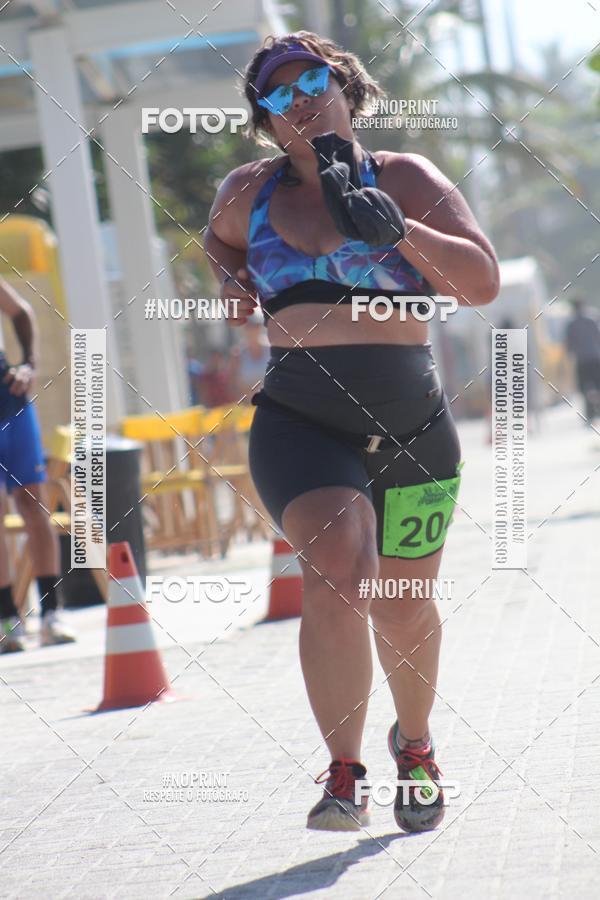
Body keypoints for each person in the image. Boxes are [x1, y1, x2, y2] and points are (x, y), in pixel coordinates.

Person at [205, 32, 499, 833]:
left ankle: (416, 746)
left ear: (347, 87)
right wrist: (232, 284)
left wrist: (396, 229)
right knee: (337, 574)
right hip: (302, 421)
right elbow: (219, 241)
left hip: (416, 426)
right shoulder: (249, 192)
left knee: (403, 604)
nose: (298, 97)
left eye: (312, 80)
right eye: (276, 91)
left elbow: (480, 283)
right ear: (264, 120)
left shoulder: (402, 176)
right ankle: (344, 774)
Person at [0, 277, 76, 652]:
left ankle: (52, 613)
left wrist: (28, 363)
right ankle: (6, 620)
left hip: (7, 398)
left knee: (34, 505)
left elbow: (21, 311)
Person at [564, 298, 600, 425]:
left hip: (582, 360)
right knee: (598, 385)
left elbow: (569, 345)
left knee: (585, 388)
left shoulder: (571, 324)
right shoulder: (592, 319)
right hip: (595, 358)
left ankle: (590, 414)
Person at [230, 316, 271, 400]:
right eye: (249, 326)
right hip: (248, 403)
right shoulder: (237, 354)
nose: (252, 330)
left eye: (255, 326)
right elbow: (233, 384)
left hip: (271, 399)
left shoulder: (271, 348)